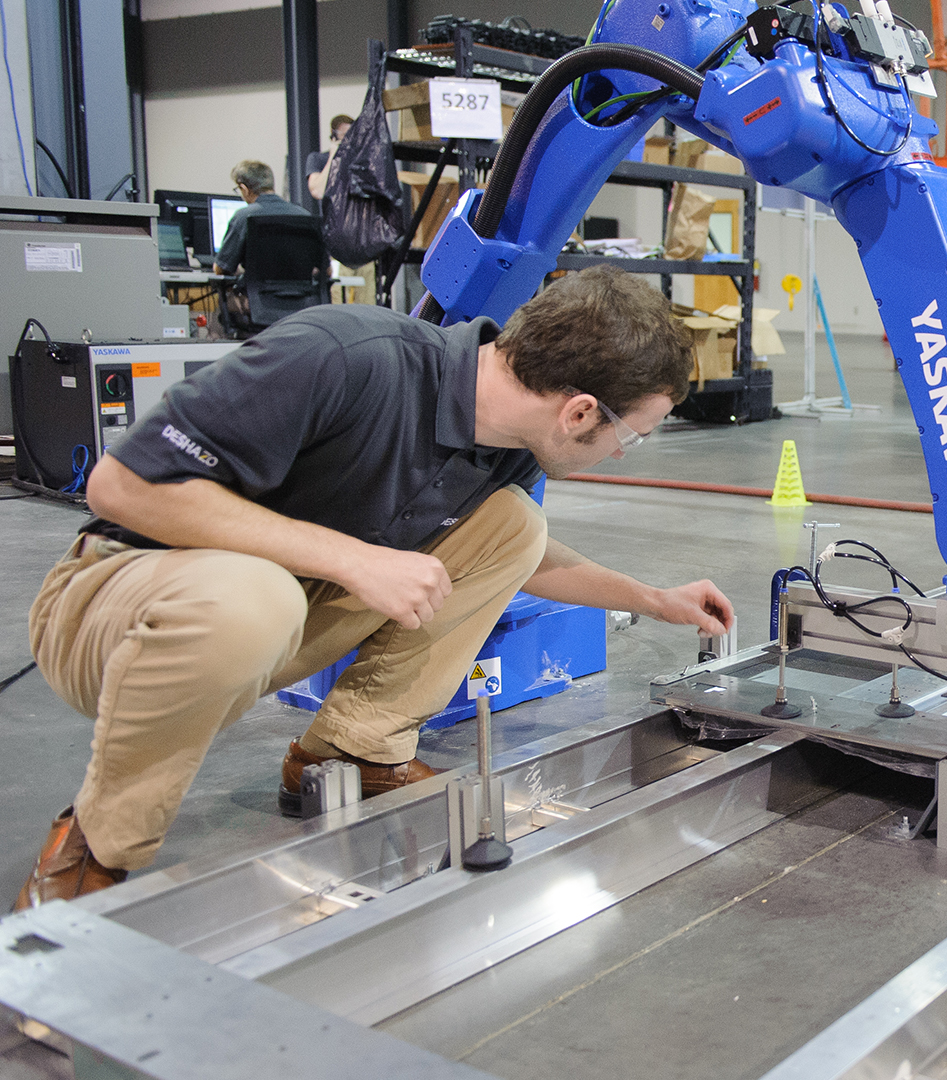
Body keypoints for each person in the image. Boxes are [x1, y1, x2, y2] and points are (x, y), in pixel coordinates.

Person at [15, 265, 734, 910]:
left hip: (273, 615)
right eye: (629, 435)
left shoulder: (503, 444)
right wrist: (354, 561)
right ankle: (98, 842)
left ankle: (354, 748)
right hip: (115, 608)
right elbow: (122, 485)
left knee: (515, 525)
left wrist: (653, 598)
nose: (620, 453)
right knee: (253, 599)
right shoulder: (345, 357)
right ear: (579, 412)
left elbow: (528, 559)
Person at [215, 160, 313, 277]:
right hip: (303, 294)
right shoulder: (305, 216)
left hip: (259, 294)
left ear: (244, 189)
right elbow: (327, 271)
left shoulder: (243, 217)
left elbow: (220, 268)